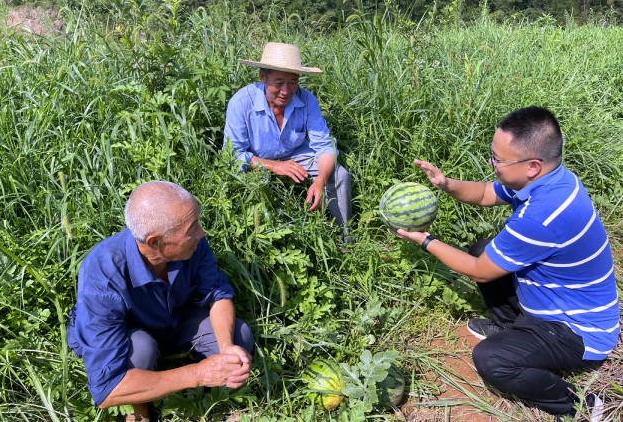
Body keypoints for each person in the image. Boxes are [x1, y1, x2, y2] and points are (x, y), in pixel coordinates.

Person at [394, 107, 619, 421]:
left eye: (497, 159)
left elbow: (478, 270)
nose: (491, 163)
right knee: (482, 248)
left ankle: (579, 404)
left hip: (579, 331)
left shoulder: (543, 215)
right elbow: (486, 193)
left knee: (491, 360)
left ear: (532, 166)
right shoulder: (550, 180)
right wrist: (445, 183)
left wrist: (426, 241)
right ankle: (508, 327)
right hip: (557, 301)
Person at [67, 181, 254, 421]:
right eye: (192, 227)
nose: (201, 233)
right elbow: (107, 389)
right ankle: (140, 410)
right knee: (140, 352)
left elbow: (217, 294)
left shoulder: (193, 245)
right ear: (155, 242)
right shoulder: (102, 274)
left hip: (175, 318)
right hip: (132, 334)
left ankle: (168, 368)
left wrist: (227, 347)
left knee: (241, 337)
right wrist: (199, 374)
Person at [223, 42, 352, 229]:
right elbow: (232, 155)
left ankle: (345, 236)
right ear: (262, 77)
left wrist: (320, 181)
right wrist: (273, 166)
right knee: (250, 189)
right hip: (257, 160)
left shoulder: (307, 100)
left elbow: (324, 146)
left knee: (340, 175)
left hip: (296, 154)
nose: (286, 91)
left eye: (292, 82)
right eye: (279, 82)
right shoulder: (242, 103)